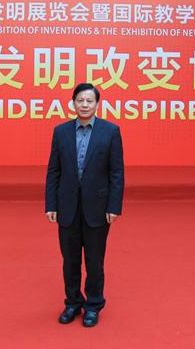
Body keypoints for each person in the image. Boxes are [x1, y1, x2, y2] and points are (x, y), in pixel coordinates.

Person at [45, 83, 125, 327]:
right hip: (67, 206)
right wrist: (51, 204)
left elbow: (116, 172)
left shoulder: (110, 131)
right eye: (80, 100)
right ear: (73, 103)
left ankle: (93, 304)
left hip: (98, 208)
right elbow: (54, 170)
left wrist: (114, 206)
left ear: (97, 104)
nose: (85, 105)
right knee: (70, 260)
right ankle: (72, 302)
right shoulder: (61, 132)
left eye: (89, 101)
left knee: (94, 260)